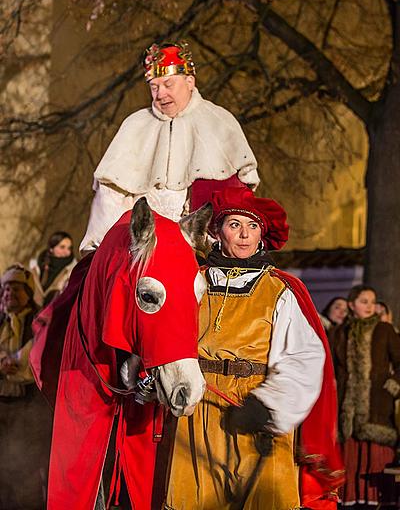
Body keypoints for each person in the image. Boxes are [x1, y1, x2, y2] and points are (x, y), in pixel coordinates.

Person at [164, 187, 343, 510]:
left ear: (262, 234)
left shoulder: (280, 289)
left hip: (251, 409)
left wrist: (269, 407)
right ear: (217, 233)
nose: (244, 235)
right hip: (197, 408)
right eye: (234, 225)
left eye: (252, 226)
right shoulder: (193, 281)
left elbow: (303, 357)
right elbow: (165, 336)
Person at [80, 41, 259, 253]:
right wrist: (104, 252)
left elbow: (237, 202)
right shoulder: (134, 126)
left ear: (190, 82)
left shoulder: (220, 122)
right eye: (154, 87)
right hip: (141, 252)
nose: (160, 94)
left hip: (201, 251)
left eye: (168, 84)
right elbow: (110, 200)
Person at [330, 284, 400, 507]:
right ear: (352, 305)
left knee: (377, 460)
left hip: (377, 405)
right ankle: (349, 502)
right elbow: (331, 367)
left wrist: (391, 386)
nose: (369, 306)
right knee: (349, 461)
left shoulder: (384, 330)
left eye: (372, 301)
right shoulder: (339, 332)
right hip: (345, 407)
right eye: (363, 301)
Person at [0, 264, 53, 509]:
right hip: (3, 408)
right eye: (5, 289)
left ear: (28, 292)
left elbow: (35, 361)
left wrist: (15, 362)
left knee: (26, 472)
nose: (9, 294)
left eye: (16, 289)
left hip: (28, 410)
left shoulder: (39, 321)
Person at [29, 230, 77, 307]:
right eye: (62, 247)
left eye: (69, 248)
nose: (67, 252)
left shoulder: (73, 270)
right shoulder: (36, 266)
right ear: (51, 248)